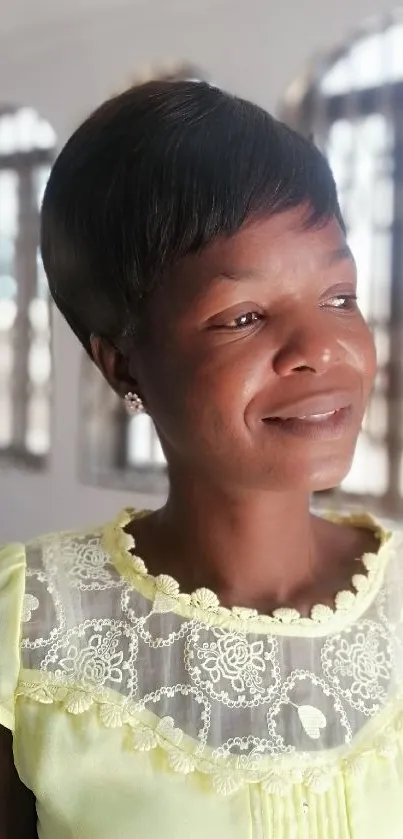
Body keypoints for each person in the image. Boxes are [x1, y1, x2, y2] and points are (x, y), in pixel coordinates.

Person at [0, 79, 402, 839]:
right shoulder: (25, 629)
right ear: (123, 367)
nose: (321, 349)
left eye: (339, 297)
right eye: (243, 317)